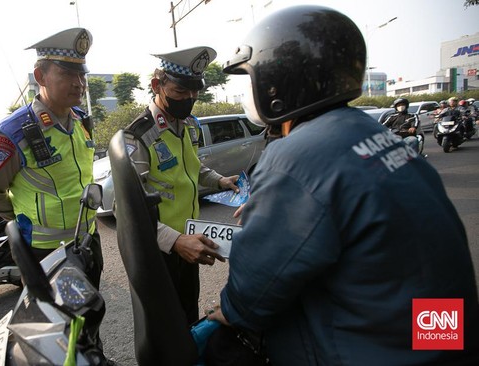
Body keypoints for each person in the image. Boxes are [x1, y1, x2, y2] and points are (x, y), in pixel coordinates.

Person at [208, 5, 479, 365]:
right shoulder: (379, 136)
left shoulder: (295, 155)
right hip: (442, 336)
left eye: (251, 77)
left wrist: (230, 308)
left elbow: (257, 286)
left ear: (280, 82)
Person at [0, 28, 109, 363]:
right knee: (52, 339)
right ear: (40, 76)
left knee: (87, 322)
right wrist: (23, 218)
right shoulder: (13, 133)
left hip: (85, 243)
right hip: (45, 255)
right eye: (67, 73)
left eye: (81, 73)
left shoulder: (79, 121)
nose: (78, 82)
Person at [121, 46, 239, 325]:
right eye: (180, 92)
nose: (189, 100)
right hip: (159, 249)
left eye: (194, 93)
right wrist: (174, 241)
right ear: (156, 86)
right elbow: (129, 208)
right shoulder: (138, 136)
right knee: (163, 326)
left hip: (190, 240)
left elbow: (192, 168)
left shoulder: (189, 125)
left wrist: (218, 180)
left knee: (187, 313)